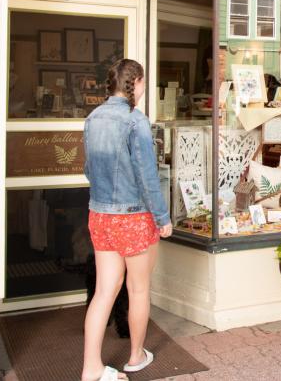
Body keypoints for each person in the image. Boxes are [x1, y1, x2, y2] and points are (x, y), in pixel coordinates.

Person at [81, 59, 173, 381]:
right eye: (143, 83)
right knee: (138, 289)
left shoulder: (93, 118)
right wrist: (162, 217)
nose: (144, 89)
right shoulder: (136, 121)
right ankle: (135, 356)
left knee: (104, 292)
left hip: (100, 215)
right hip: (133, 217)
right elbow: (148, 177)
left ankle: (91, 368)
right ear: (134, 84)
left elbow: (88, 170)